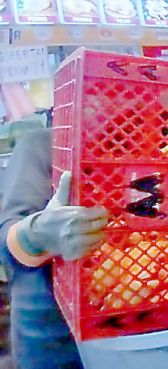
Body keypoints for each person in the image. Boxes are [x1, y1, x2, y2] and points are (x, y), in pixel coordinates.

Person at [0, 129, 109, 369]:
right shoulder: (41, 145)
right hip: (53, 340)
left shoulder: (147, 150)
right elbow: (6, 243)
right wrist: (38, 233)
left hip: (124, 336)